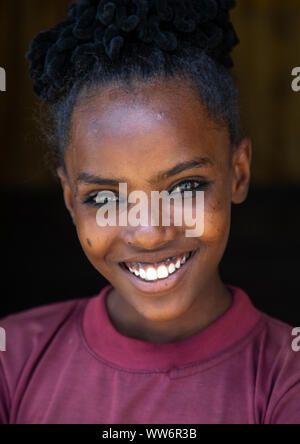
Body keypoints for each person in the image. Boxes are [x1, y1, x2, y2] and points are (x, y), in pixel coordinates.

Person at [0, 0, 299, 424]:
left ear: (238, 173)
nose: (148, 233)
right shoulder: (13, 357)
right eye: (105, 197)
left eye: (185, 187)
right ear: (69, 198)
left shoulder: (285, 378)